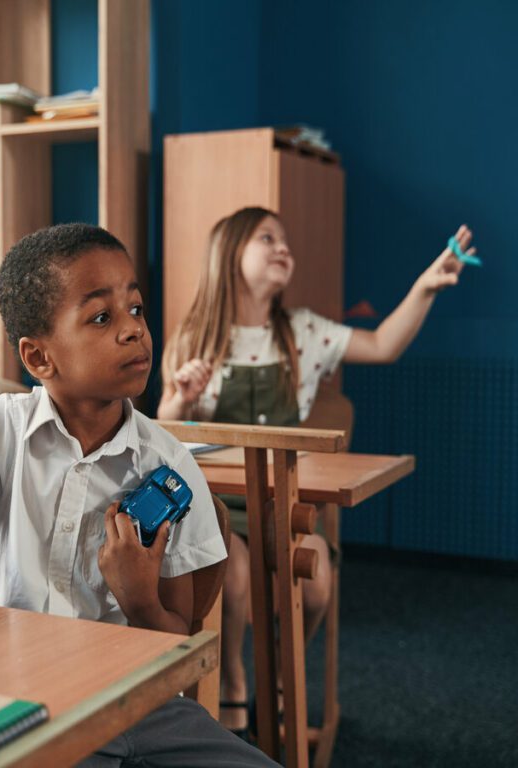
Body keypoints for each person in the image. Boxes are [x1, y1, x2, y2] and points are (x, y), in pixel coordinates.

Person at [0, 223, 276, 767]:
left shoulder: (168, 463)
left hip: (141, 703)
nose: (133, 330)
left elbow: (176, 640)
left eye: (136, 309)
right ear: (38, 359)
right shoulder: (4, 428)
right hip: (20, 699)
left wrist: (139, 597)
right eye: (102, 317)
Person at [157, 206, 473, 736]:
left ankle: (280, 674)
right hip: (217, 508)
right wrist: (177, 400)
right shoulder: (193, 339)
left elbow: (383, 345)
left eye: (286, 241)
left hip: (287, 504)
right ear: (230, 253)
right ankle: (234, 681)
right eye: (268, 238)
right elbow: (168, 433)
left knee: (318, 581)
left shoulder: (301, 331)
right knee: (230, 579)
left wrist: (424, 288)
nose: (285, 248)